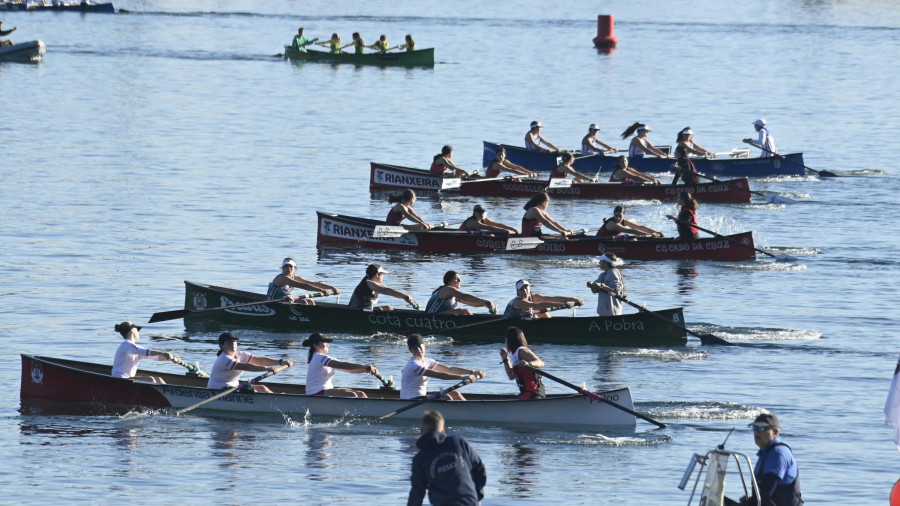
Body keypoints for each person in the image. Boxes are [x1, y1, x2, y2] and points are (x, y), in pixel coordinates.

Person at [408, 410, 486, 506]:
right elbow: (479, 469)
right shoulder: (458, 442)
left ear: (422, 432)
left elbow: (417, 492)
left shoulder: (420, 458)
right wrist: (478, 496)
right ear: (443, 431)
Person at [739, 413, 804, 506]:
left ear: (775, 432)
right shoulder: (766, 453)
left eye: (762, 429)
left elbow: (767, 491)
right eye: (755, 428)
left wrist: (750, 503)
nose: (757, 432)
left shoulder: (778, 453)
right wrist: (750, 500)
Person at [400, 334, 484, 401]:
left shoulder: (427, 361)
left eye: (420, 346)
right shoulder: (414, 364)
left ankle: (471, 412)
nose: (419, 350)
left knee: (455, 394)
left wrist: (471, 372)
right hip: (410, 400)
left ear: (424, 346)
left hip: (421, 398)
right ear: (410, 350)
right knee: (447, 397)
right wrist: (463, 378)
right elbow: (439, 375)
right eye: (415, 348)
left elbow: (449, 369)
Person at [208, 332, 291, 394]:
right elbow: (246, 367)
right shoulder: (224, 359)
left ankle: (278, 401)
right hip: (218, 390)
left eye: (234, 342)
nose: (233, 344)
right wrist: (267, 369)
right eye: (229, 342)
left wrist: (280, 362)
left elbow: (261, 360)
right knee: (251, 390)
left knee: (262, 388)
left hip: (233, 387)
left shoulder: (241, 355)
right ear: (221, 345)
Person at [303, 332, 378, 398]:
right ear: (315, 345)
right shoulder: (318, 357)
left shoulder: (324, 358)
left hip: (325, 391)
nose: (328, 345)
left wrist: (366, 369)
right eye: (324, 342)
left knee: (360, 394)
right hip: (315, 393)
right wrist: (363, 366)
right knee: (351, 395)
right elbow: (340, 365)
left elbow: (349, 369)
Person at [266, 257, 340, 303]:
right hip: (273, 303)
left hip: (286, 301)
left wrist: (332, 287)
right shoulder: (282, 278)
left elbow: (312, 283)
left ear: (295, 268)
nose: (288, 269)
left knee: (308, 302)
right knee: (303, 302)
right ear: (282, 268)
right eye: (286, 267)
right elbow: (303, 286)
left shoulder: (296, 278)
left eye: (290, 267)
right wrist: (321, 290)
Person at [499, 327, 545, 399]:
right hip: (525, 393)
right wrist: (505, 359)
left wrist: (529, 364)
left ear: (510, 339)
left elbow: (540, 363)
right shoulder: (515, 354)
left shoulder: (522, 350)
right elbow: (511, 376)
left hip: (534, 393)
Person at [347, 263, 416, 311]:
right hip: (355, 312)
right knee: (386, 309)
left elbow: (391, 292)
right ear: (377, 274)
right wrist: (404, 296)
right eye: (382, 274)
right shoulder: (369, 283)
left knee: (388, 308)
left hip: (365, 311)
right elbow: (386, 291)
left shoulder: (376, 285)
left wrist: (406, 298)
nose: (383, 276)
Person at [425, 270, 496, 315]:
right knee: (461, 312)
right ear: (449, 281)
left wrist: (485, 304)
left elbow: (471, 303)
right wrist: (482, 300)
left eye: (460, 279)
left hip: (440, 317)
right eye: (456, 279)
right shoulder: (447, 289)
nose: (459, 281)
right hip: (432, 316)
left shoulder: (453, 294)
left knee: (466, 310)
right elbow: (464, 296)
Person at [503, 279, 583, 318]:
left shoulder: (534, 297)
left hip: (523, 321)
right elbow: (540, 306)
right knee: (535, 313)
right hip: (510, 324)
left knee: (544, 314)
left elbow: (554, 299)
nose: (525, 290)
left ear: (530, 288)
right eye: (521, 289)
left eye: (526, 287)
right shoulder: (518, 302)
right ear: (518, 291)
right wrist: (563, 305)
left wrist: (575, 300)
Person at [596, 205, 664, 238]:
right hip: (600, 242)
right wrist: (650, 235)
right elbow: (633, 231)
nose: (618, 218)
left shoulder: (624, 221)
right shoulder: (613, 224)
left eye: (620, 216)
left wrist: (656, 232)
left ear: (624, 215)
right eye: (616, 216)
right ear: (613, 215)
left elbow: (639, 227)